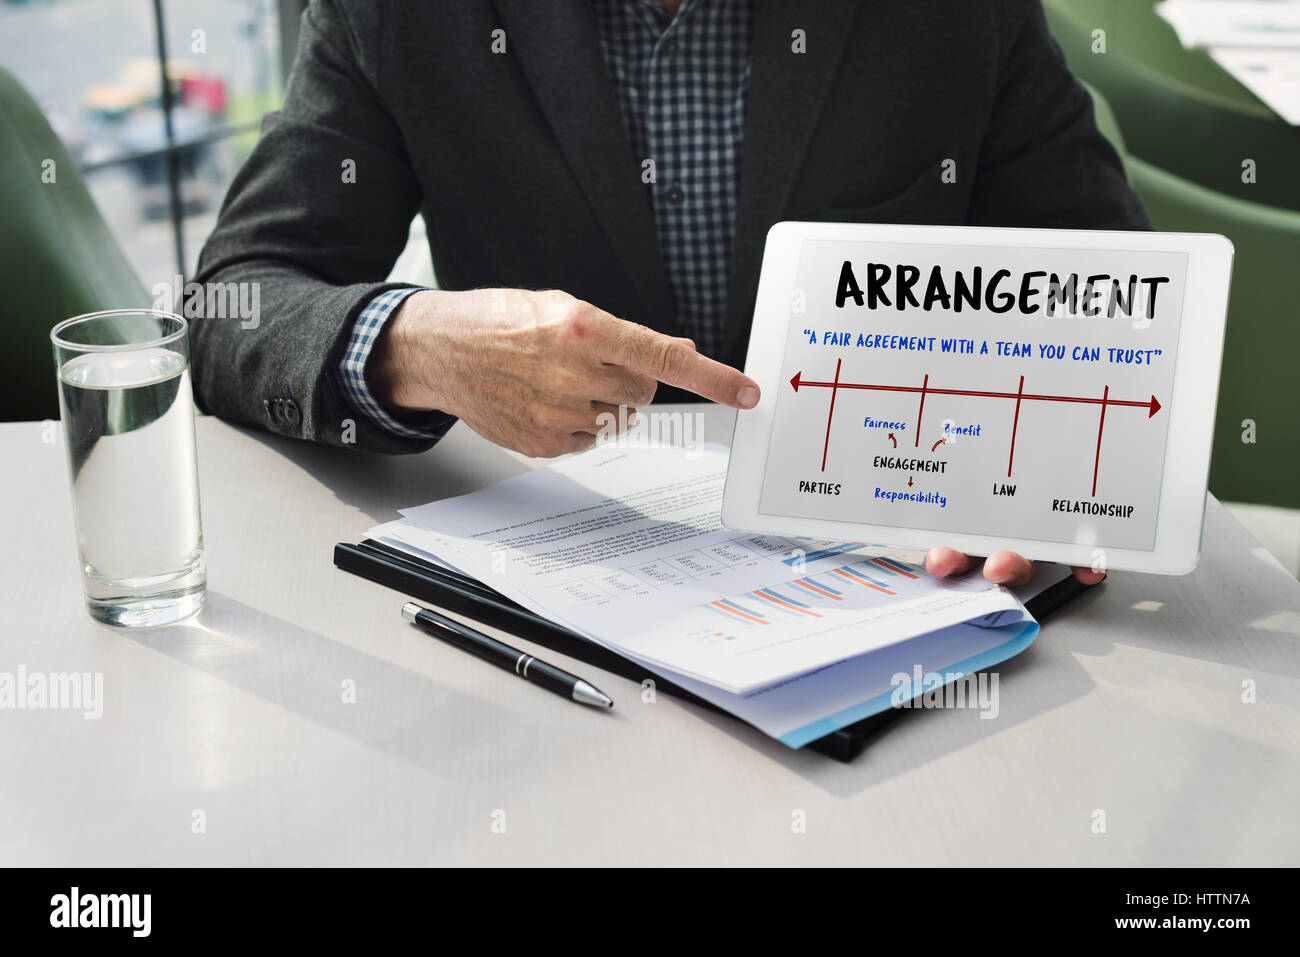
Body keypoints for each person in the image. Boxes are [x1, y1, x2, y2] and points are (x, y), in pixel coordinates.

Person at [192, 0, 1141, 587]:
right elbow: (233, 301)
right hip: (554, 595)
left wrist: (1051, 464)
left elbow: (1111, 274)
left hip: (904, 577)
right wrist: (417, 341)